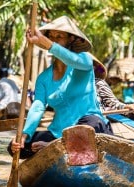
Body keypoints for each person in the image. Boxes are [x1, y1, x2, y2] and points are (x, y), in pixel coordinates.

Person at [8, 16, 113, 159]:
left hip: (90, 128)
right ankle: (59, 146)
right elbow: (38, 107)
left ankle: (59, 147)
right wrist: (24, 135)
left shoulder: (84, 60)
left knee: (90, 125)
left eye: (59, 36)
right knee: (16, 146)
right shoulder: (44, 78)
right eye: (51, 36)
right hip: (59, 133)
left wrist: (48, 43)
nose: (54, 39)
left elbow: (73, 59)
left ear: (70, 40)